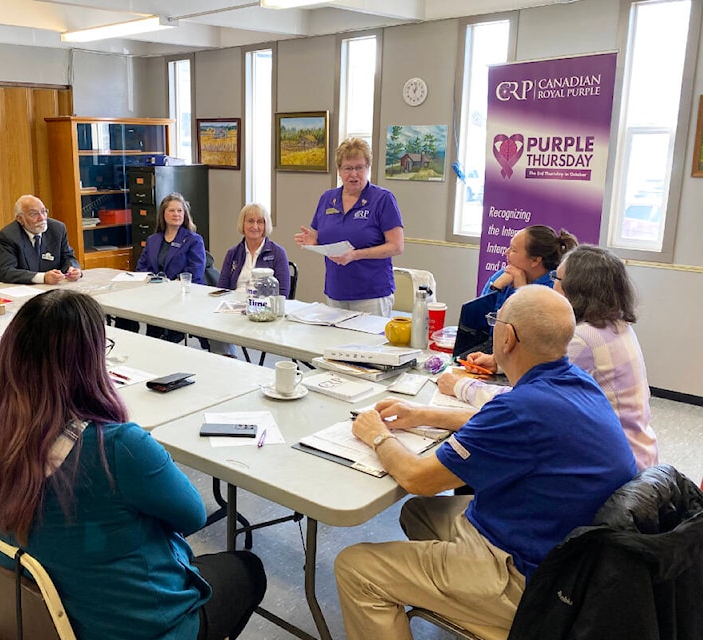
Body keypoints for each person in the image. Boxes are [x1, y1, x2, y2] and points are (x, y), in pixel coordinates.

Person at [0, 290, 266, 640]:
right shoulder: (117, 447)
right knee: (247, 569)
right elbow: (191, 517)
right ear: (89, 362)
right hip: (130, 623)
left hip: (39, 618)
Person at [335, 285, 636, 640]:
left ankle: (484, 605)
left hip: (533, 584)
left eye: (496, 323)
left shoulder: (522, 410)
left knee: (355, 568)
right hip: (573, 561)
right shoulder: (575, 383)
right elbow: (501, 424)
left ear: (507, 338)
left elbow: (419, 478)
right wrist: (421, 414)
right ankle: (453, 591)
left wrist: (377, 435)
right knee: (418, 513)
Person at [440, 245, 658, 470]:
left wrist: (461, 386)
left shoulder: (582, 338)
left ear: (574, 288)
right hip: (637, 450)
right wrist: (499, 363)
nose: (552, 284)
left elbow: (526, 402)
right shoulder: (615, 325)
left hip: (610, 465)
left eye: (556, 277)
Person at [294, 137, 404, 317]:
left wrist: (355, 255)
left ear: (368, 168)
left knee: (367, 345)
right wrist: (313, 241)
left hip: (372, 294)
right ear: (339, 170)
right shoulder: (327, 198)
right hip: (336, 292)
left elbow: (397, 246)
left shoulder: (383, 199)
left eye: (359, 167)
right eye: (348, 168)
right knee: (335, 344)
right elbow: (320, 235)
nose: (354, 174)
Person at [122, 192, 206, 340]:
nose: (176, 214)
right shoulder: (153, 240)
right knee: (125, 313)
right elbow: (141, 268)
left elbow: (195, 272)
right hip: (154, 293)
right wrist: (152, 282)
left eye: (180, 211)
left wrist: (171, 285)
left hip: (181, 296)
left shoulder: (193, 240)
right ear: (163, 214)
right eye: (171, 210)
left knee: (161, 326)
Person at [481, 224, 578, 310]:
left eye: (513, 250)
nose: (506, 252)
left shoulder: (555, 289)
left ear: (535, 260)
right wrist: (496, 287)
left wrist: (521, 288)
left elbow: (533, 328)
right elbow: (474, 319)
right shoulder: (504, 274)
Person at [0, 194, 81, 284]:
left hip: (54, 289)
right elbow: (6, 271)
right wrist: (42, 277)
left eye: (43, 211)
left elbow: (68, 257)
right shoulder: (8, 236)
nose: (42, 218)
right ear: (20, 219)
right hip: (22, 290)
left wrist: (72, 268)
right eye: (34, 214)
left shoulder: (57, 229)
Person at [219, 203, 290, 297]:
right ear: (242, 224)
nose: (255, 226)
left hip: (264, 307)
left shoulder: (278, 253)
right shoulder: (232, 253)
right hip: (233, 305)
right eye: (250, 221)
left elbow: (282, 293)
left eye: (260, 221)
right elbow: (222, 288)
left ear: (266, 225)